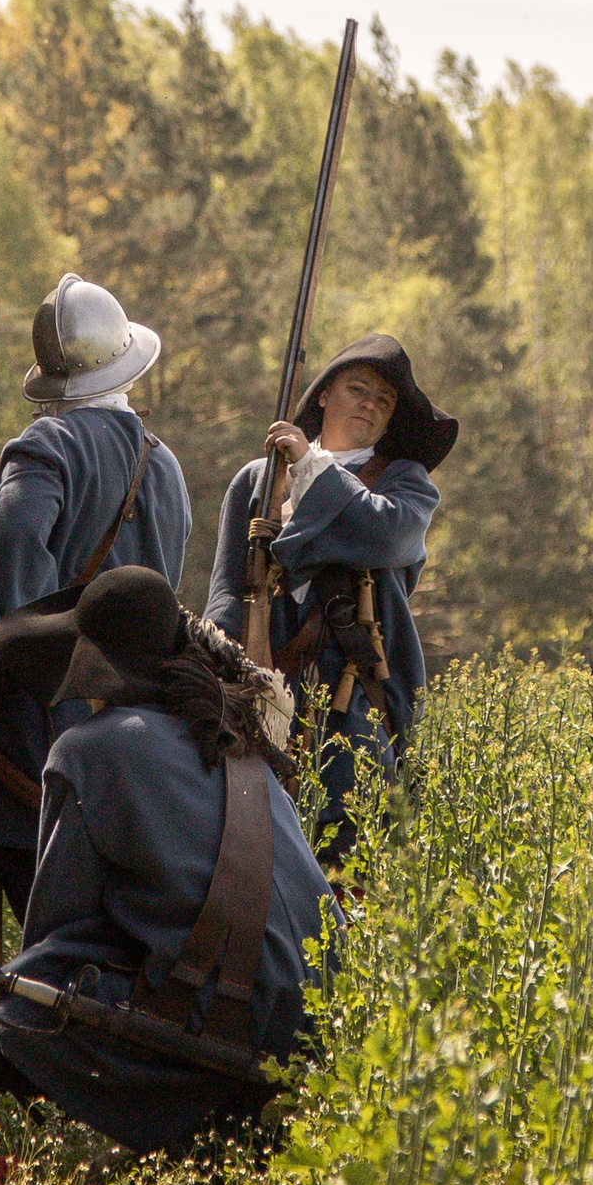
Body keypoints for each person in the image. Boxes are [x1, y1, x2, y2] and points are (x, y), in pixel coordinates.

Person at [0, 566, 339, 1157]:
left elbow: (55, 933)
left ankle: (165, 1138)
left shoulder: (86, 748)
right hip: (323, 1031)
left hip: (229, 1034)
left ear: (90, 660)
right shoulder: (238, 739)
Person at [0, 273, 191, 926]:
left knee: (49, 936)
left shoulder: (44, 444)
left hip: (45, 728)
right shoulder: (165, 464)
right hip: (143, 720)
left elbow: (13, 569)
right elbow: (164, 584)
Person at [203, 334, 457, 866]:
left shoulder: (404, 483)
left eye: (383, 401)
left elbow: (385, 535)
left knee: (348, 879)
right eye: (357, 389)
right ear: (323, 396)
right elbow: (228, 596)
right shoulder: (258, 479)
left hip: (355, 710)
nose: (369, 403)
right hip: (257, 704)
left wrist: (310, 471)